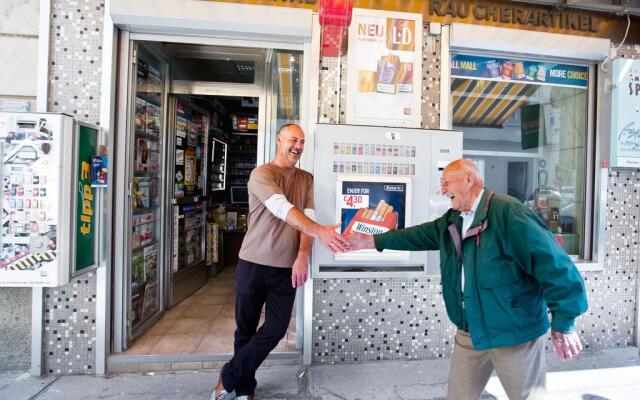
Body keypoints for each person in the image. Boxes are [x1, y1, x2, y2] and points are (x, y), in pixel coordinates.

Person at [345, 159, 588, 400]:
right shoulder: (453, 219)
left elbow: (555, 264)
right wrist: (369, 241)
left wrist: (565, 321)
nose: (442, 189)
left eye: (446, 182)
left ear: (469, 179)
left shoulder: (508, 212)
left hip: (514, 332)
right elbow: (416, 236)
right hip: (470, 331)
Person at [212, 123, 348, 400]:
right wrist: (320, 230)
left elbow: (306, 218)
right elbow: (282, 208)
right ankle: (245, 389)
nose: (298, 146)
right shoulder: (262, 174)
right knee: (246, 330)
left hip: (287, 269)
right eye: (293, 140)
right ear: (279, 140)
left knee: (274, 330)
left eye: (302, 142)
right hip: (253, 263)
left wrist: (302, 256)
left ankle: (228, 376)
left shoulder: (306, 179)